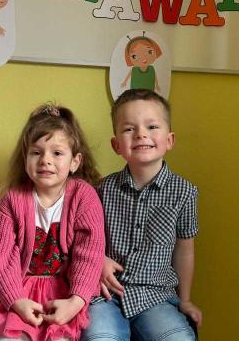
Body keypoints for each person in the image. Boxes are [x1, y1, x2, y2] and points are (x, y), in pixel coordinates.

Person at [0, 104, 105, 341]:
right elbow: (1, 258)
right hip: (18, 292)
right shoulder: (12, 200)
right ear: (25, 158)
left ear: (75, 161)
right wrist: (17, 301)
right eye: (36, 152)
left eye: (57, 153)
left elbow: (89, 254)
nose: (45, 160)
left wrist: (76, 301)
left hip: (65, 294)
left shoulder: (84, 197)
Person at [81, 89, 202, 341]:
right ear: (116, 145)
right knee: (100, 337)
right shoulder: (101, 190)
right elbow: (83, 237)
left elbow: (185, 250)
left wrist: (186, 300)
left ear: (169, 140)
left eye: (152, 126)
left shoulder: (184, 192)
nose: (141, 134)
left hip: (156, 297)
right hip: (105, 294)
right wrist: (98, 259)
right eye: (129, 129)